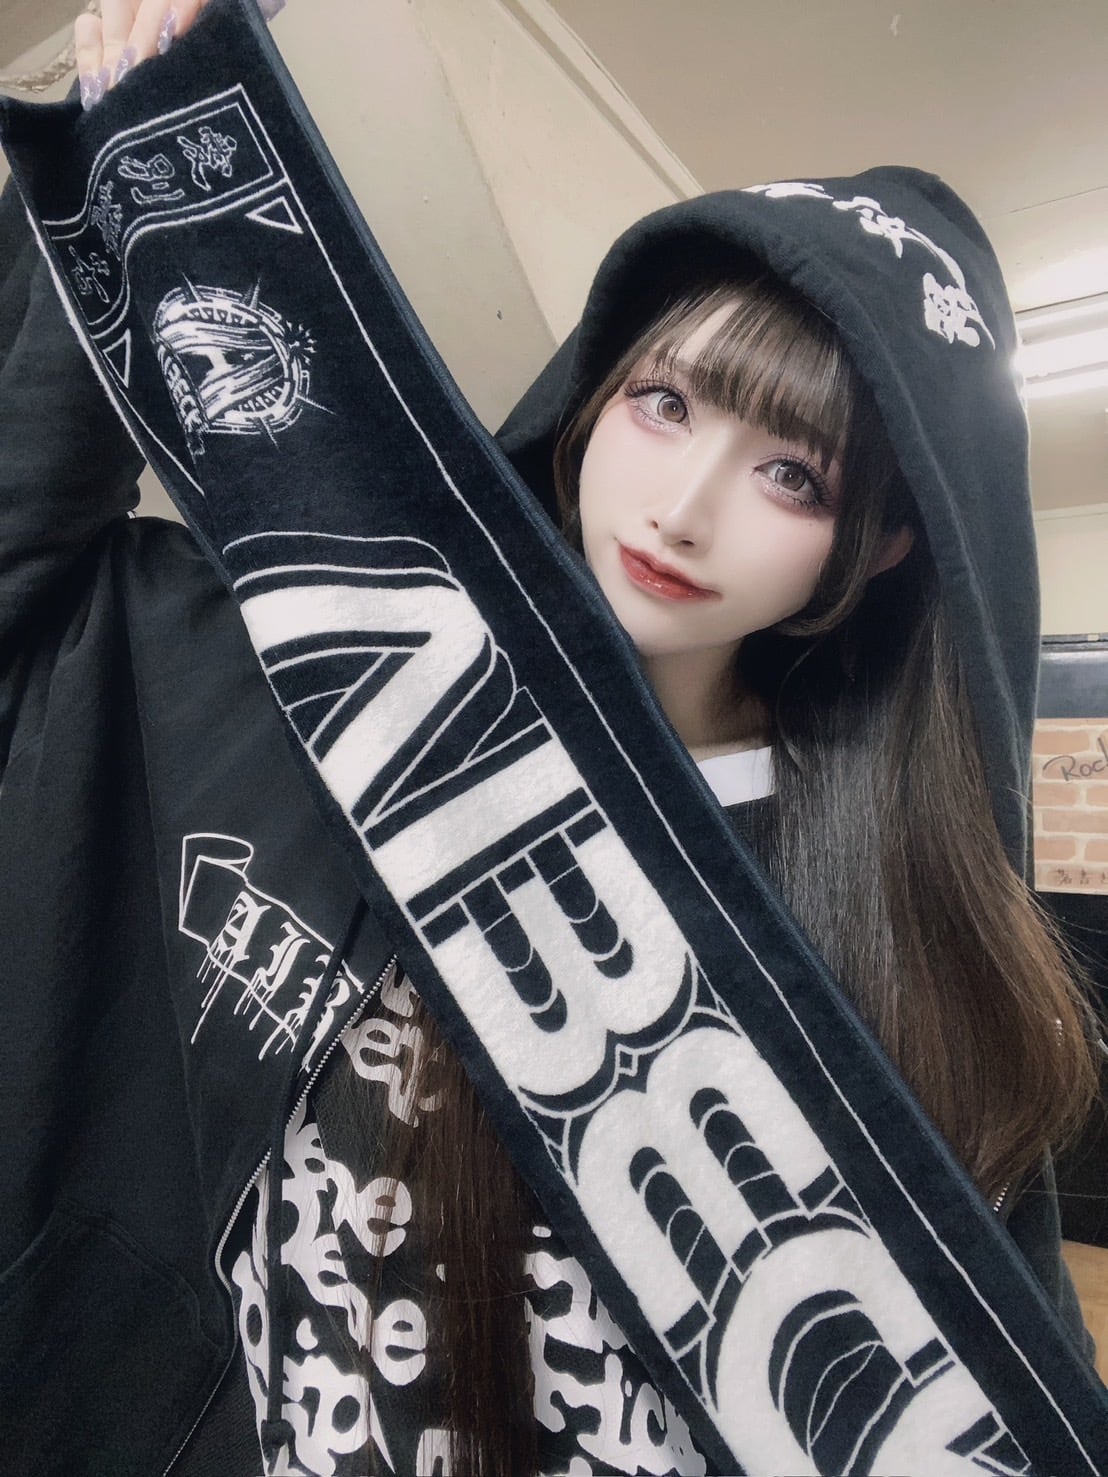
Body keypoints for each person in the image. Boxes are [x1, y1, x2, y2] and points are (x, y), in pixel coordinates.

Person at [0, 4, 1100, 1475]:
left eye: (793, 473)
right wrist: (137, 167)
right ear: (595, 388)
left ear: (886, 545)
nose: (683, 509)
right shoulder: (315, 674)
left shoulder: (911, 944)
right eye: (664, 402)